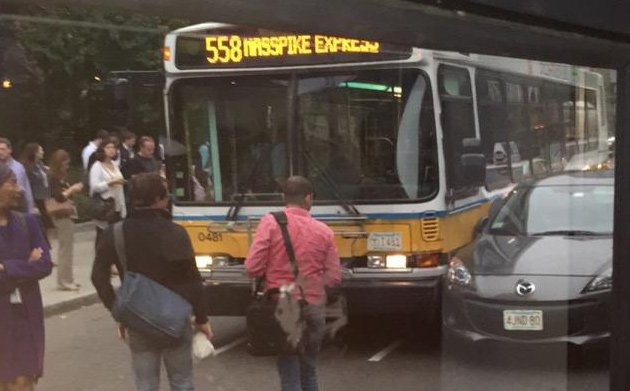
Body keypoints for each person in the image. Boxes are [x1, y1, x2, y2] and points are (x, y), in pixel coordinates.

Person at [92, 172, 213, 391]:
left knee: (146, 384)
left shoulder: (115, 233)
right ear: (158, 199)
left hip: (138, 320)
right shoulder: (175, 232)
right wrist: (202, 318)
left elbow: (98, 277)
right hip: (175, 319)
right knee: (182, 382)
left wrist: (118, 310)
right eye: (166, 195)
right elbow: (193, 279)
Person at [245, 176, 341, 391]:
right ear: (309, 198)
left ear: (283, 197)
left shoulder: (269, 223)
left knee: (289, 369)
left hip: (284, 306)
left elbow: (252, 268)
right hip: (313, 306)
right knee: (309, 368)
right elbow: (334, 277)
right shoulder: (325, 232)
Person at [0, 163, 53, 390]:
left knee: (23, 382)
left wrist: (7, 268)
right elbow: (34, 267)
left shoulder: (27, 222)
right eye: (12, 182)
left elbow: (45, 264)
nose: (19, 189)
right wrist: (25, 266)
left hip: (25, 314)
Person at [48, 150, 83, 291]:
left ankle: (68, 278)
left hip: (65, 213)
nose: (67, 166)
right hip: (60, 213)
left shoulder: (59, 176)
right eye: (65, 163)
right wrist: (72, 190)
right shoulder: (53, 177)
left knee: (68, 247)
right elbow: (59, 197)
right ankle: (63, 280)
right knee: (65, 248)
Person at [89, 138, 126, 249]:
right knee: (103, 237)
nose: (111, 150)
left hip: (118, 205)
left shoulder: (115, 165)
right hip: (105, 206)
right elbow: (94, 187)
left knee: (116, 237)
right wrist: (110, 183)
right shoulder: (97, 166)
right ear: (102, 150)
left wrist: (123, 208)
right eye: (108, 147)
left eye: (113, 147)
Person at [20, 143, 53, 230]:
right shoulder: (27, 168)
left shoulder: (40, 165)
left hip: (45, 197)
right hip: (36, 198)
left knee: (48, 224)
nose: (43, 152)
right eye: (40, 150)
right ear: (34, 152)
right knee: (40, 224)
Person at [0, 138, 35, 213]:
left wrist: (30, 210)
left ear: (10, 150)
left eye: (3, 149)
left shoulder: (18, 168)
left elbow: (25, 189)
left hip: (17, 208)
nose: (0, 152)